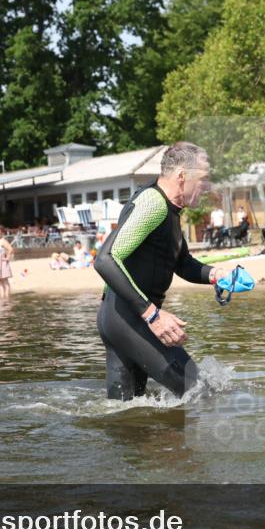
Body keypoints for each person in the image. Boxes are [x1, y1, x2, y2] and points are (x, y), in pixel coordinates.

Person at [93, 141, 231, 400]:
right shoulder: (153, 203)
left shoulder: (169, 210)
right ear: (182, 176)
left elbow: (181, 262)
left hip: (119, 315)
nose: (208, 186)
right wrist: (152, 315)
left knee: (128, 417)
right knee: (203, 394)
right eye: (204, 178)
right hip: (130, 317)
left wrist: (216, 275)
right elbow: (105, 259)